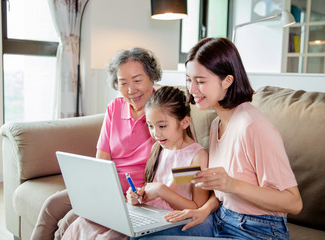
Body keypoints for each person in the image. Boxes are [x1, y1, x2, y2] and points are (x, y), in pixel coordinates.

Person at [135, 38, 303, 240]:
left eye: (201, 81)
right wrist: (203, 210)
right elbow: (222, 192)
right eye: (189, 79)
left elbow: (294, 203)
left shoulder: (254, 126)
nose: (192, 89)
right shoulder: (217, 124)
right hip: (220, 218)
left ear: (227, 81)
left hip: (257, 230)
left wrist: (232, 185)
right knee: (141, 235)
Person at [30, 47, 162, 240]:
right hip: (105, 189)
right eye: (123, 83)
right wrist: (97, 189)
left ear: (152, 78)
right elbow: (102, 158)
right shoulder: (115, 108)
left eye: (137, 80)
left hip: (134, 194)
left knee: (69, 221)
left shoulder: (163, 112)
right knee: (52, 204)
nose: (131, 90)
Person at [61, 86, 211, 239]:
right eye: (150, 126)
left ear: (184, 122)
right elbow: (151, 190)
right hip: (148, 213)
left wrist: (161, 190)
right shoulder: (158, 148)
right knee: (82, 224)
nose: (155, 133)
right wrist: (137, 195)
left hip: (171, 220)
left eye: (162, 126)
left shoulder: (196, 157)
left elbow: (197, 207)